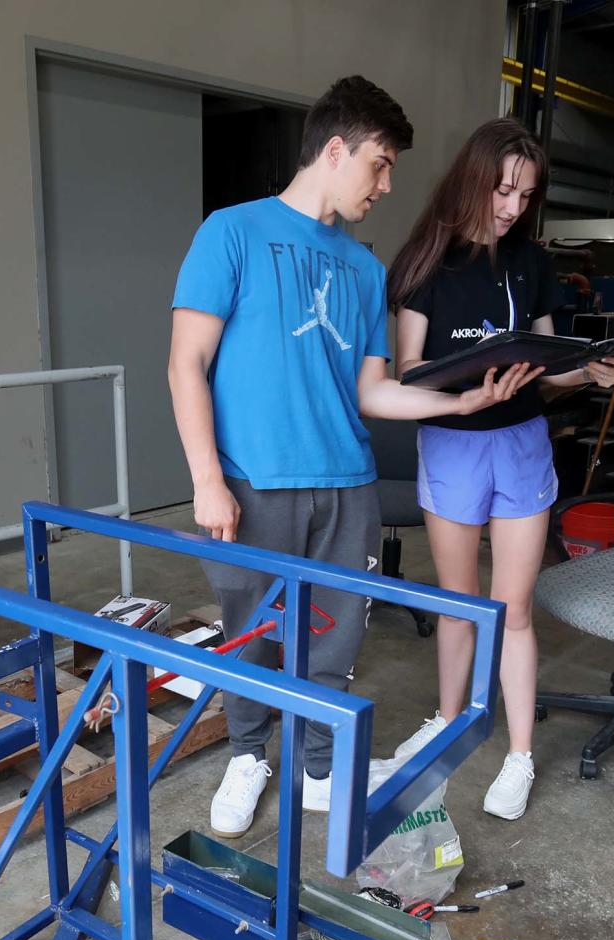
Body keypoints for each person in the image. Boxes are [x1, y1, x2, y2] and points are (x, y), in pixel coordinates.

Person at [168, 81, 538, 839]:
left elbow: (375, 390)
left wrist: (455, 404)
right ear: (335, 151)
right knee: (252, 630)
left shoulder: (366, 271)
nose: (387, 183)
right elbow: (185, 364)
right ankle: (248, 754)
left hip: (347, 485)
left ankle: (315, 764)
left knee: (333, 637)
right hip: (252, 481)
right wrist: (208, 478)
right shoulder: (231, 233)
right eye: (380, 164)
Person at [387, 117, 614, 822]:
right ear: (473, 178)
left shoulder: (534, 264)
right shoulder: (424, 263)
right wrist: (465, 387)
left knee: (513, 609)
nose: (513, 208)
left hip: (522, 441)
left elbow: (550, 372)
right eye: (503, 190)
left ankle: (518, 755)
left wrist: (590, 372)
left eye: (526, 196)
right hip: (453, 444)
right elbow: (406, 372)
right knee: (460, 603)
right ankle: (448, 718)